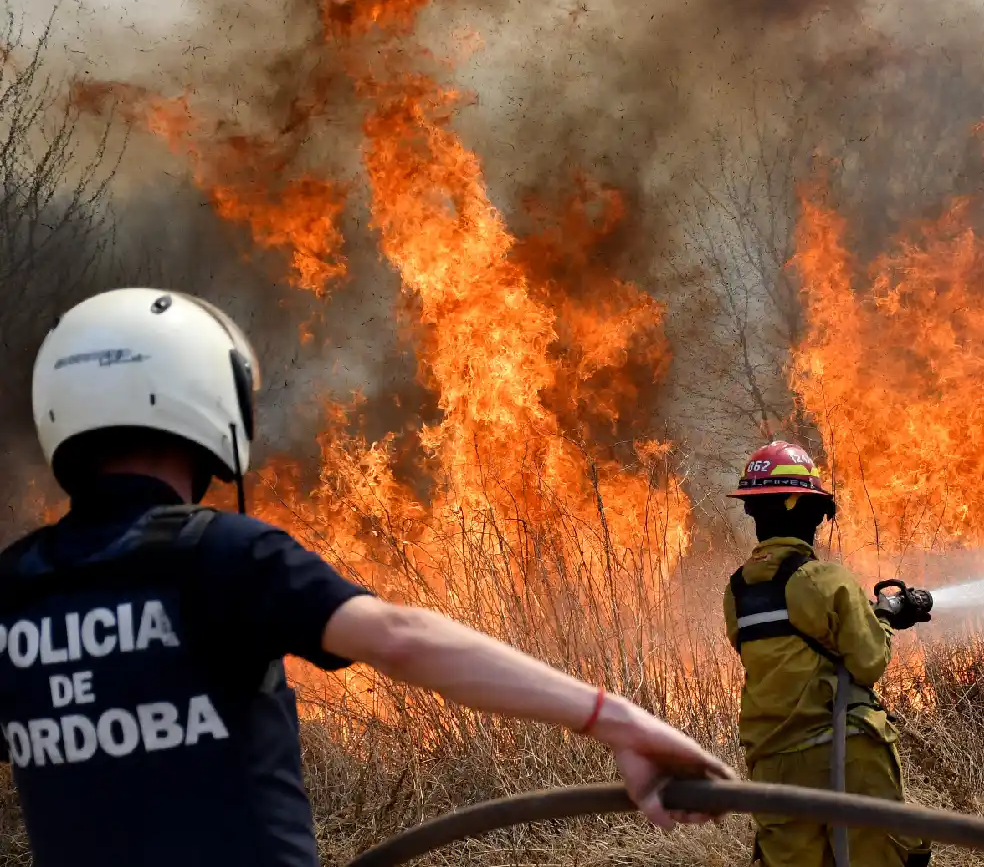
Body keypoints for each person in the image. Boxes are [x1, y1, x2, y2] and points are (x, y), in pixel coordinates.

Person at [0, 287, 734, 867]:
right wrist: (621, 720)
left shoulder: (13, 590)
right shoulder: (221, 555)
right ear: (207, 396)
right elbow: (401, 638)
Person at [723, 441, 933, 867]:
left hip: (774, 764)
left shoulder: (737, 590)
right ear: (810, 512)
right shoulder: (826, 580)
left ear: (752, 512)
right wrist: (886, 618)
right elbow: (869, 660)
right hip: (845, 752)